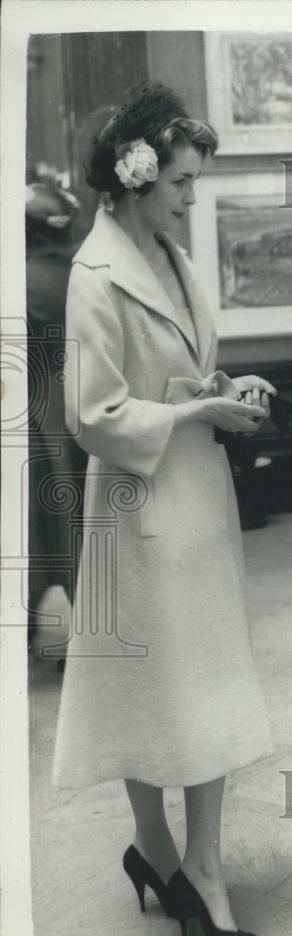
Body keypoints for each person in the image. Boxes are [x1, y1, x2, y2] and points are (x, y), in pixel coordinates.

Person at [51, 83, 276, 936]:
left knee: (208, 686)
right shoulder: (94, 274)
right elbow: (92, 413)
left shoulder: (174, 261)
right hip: (138, 509)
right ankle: (155, 851)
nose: (190, 198)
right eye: (181, 182)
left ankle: (203, 864)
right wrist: (193, 416)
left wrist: (223, 392)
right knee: (149, 692)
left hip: (197, 505)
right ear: (136, 178)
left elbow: (173, 375)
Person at [26, 176, 87, 666]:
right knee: (81, 522)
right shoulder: (88, 274)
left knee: (35, 524)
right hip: (85, 411)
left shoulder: (17, 282)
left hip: (33, 416)